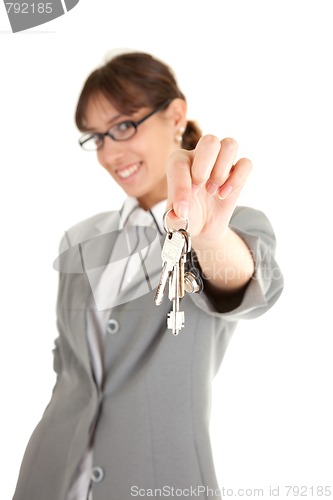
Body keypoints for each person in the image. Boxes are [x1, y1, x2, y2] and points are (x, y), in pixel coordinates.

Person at [13, 51, 283, 500]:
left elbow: (245, 284)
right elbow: (71, 367)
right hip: (49, 475)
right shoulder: (80, 240)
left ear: (175, 115)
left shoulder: (227, 227)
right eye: (96, 137)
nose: (110, 152)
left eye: (123, 126)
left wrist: (209, 236)